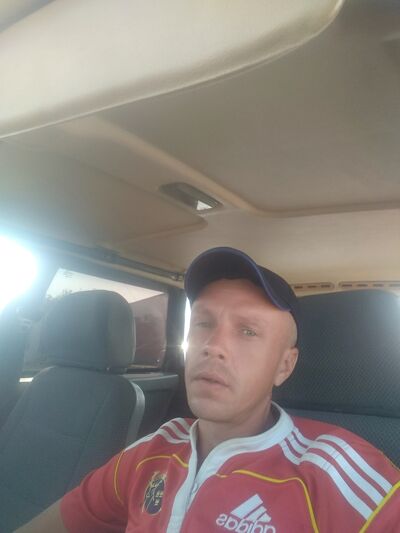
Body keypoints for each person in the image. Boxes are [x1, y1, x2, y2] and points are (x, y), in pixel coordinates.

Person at [17, 247, 400, 532]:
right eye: (203, 323)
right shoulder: (153, 450)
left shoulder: (339, 473)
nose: (213, 345)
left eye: (247, 331)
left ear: (284, 365)